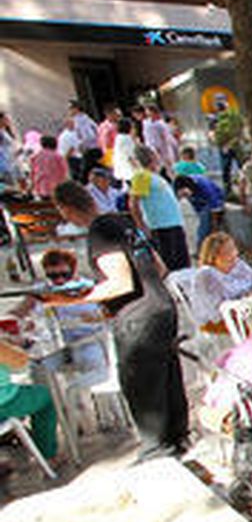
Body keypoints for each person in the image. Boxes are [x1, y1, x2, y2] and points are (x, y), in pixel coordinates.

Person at [48, 180, 188, 460]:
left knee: (141, 384)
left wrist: (72, 299)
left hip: (139, 317)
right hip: (161, 306)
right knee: (167, 376)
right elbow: (159, 267)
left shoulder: (100, 231)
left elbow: (121, 282)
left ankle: (156, 451)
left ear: (65, 209)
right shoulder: (122, 221)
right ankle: (177, 440)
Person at [127, 145, 190, 270]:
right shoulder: (142, 176)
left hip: (174, 223)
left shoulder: (156, 177)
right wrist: (141, 225)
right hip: (160, 226)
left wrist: (179, 195)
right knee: (169, 264)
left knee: (182, 264)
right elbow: (134, 203)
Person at [191, 232, 252, 333]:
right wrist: (248, 297)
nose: (234, 254)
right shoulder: (206, 275)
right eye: (227, 251)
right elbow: (219, 310)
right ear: (214, 255)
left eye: (233, 249)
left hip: (246, 313)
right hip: (217, 323)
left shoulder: (238, 265)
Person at [0, 336, 59, 466]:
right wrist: (10, 344)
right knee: (45, 398)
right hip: (5, 401)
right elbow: (21, 363)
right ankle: (48, 455)